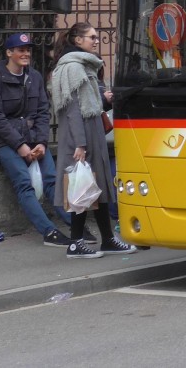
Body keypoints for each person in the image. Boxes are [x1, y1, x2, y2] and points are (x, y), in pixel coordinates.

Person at [49, 21, 137, 259]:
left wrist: (105, 102)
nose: (96, 41)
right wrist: (80, 143)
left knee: (97, 189)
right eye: (92, 37)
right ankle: (76, 243)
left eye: (96, 37)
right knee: (81, 188)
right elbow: (73, 109)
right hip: (81, 137)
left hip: (90, 133)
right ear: (77, 40)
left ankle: (107, 239)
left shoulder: (83, 66)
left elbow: (90, 104)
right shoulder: (73, 68)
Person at [0, 32, 74, 247]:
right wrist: (20, 146)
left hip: (34, 140)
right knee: (24, 183)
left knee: (52, 180)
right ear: (9, 53)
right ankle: (49, 232)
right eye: (21, 50)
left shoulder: (35, 77)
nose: (25, 54)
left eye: (28, 50)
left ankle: (75, 226)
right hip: (5, 142)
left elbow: (43, 110)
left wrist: (41, 142)